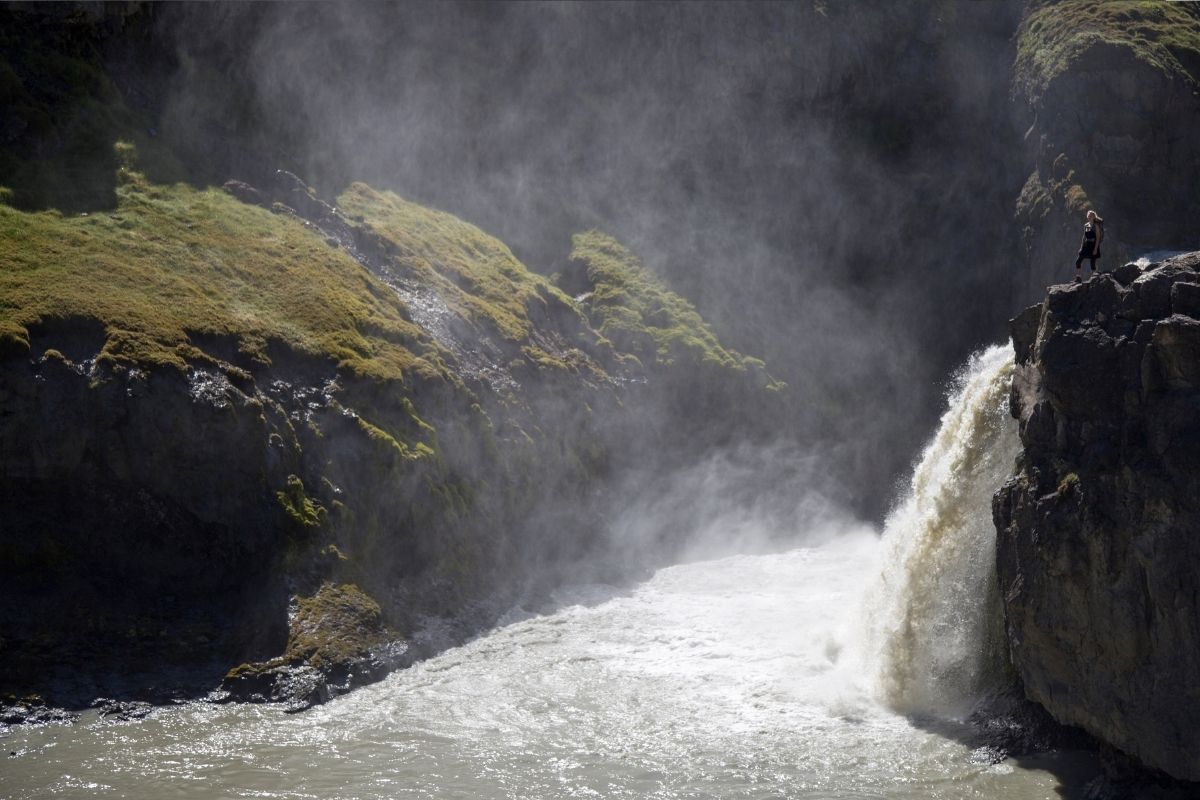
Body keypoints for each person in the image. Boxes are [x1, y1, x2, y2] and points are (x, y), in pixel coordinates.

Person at [1074, 210, 1104, 283]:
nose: (1089, 216)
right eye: (1089, 215)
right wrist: (1081, 247)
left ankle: (1095, 278)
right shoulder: (1086, 225)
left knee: (1092, 263)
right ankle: (1078, 278)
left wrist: (1095, 249)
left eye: (1091, 215)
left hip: (1093, 245)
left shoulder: (1096, 226)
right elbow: (1084, 237)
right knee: (1078, 261)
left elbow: (1098, 238)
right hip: (1086, 245)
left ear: (1094, 217)